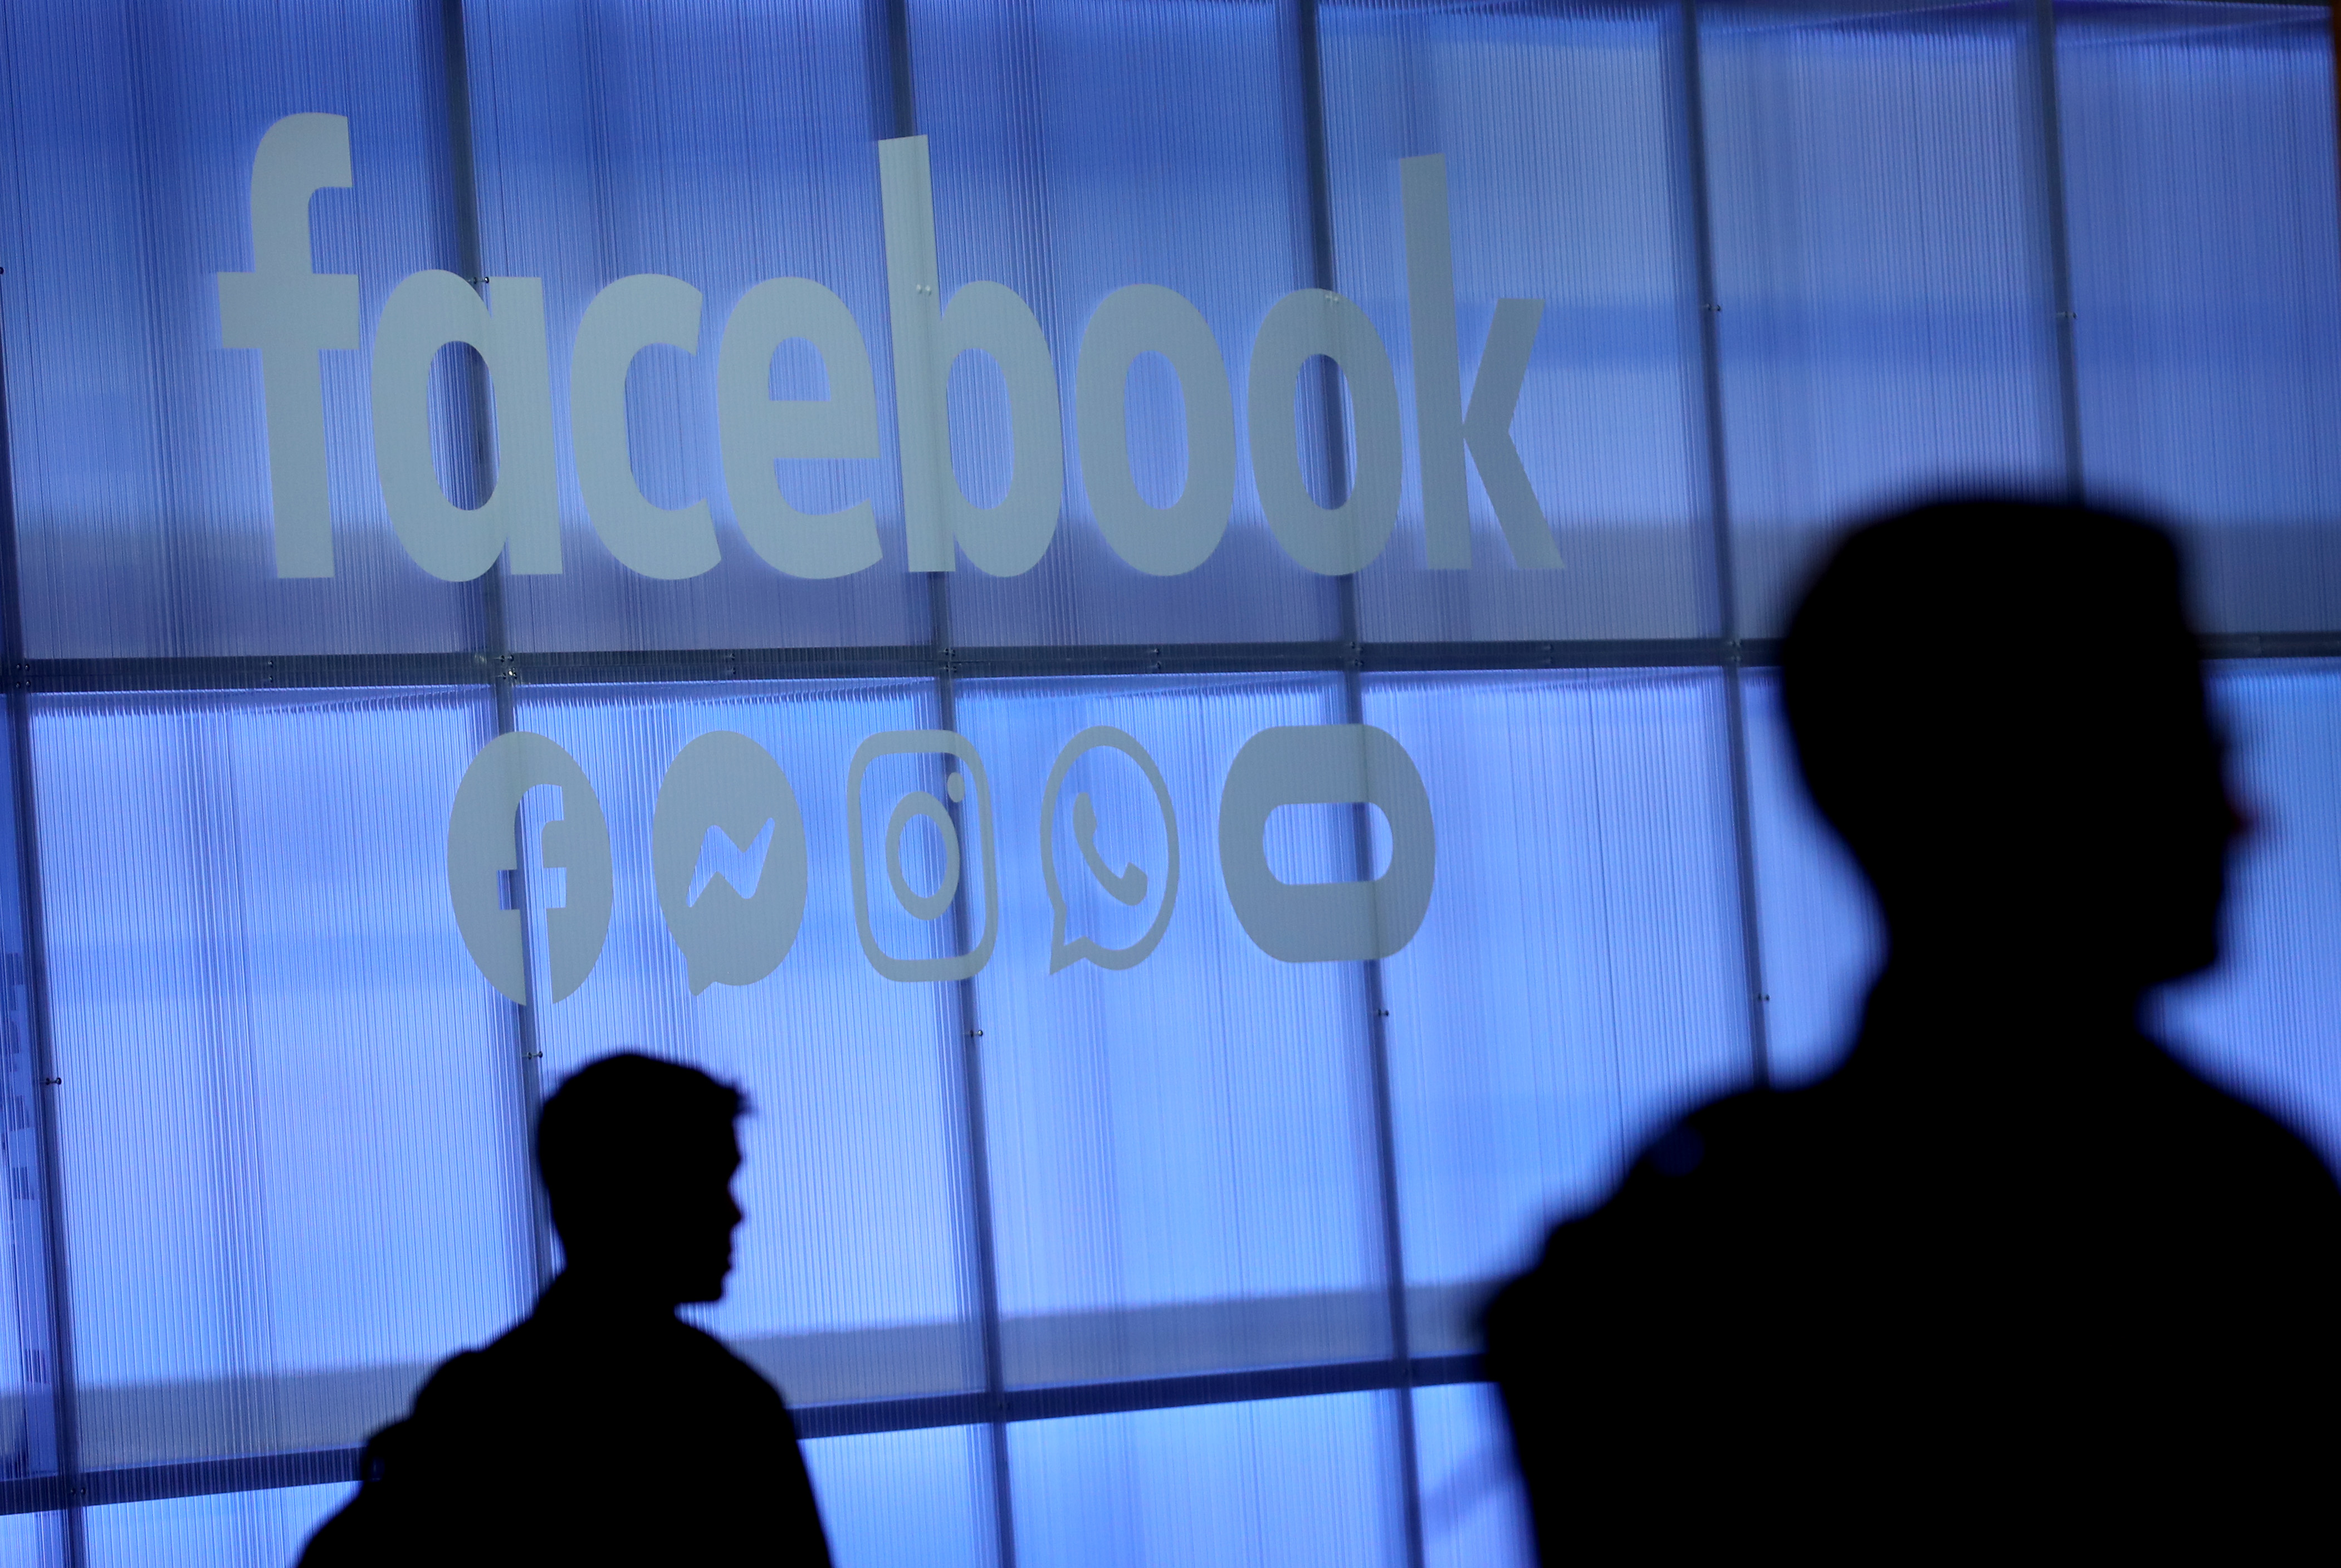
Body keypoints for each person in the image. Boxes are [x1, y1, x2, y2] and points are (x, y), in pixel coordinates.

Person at [1482, 501, 2341, 1556]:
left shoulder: (1678, 1253)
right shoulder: (2231, 1212)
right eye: (2182, 755)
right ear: (2028, 796)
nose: (2245, 818)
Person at [300, 1053, 832, 1566]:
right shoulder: (729, 1413)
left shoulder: (471, 1404)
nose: (734, 1214)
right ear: (631, 1198)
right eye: (708, 1183)